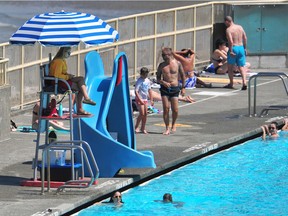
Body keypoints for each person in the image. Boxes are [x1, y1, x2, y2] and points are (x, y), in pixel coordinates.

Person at [49, 47, 96, 115]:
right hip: (58, 82)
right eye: (68, 52)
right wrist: (68, 76)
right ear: (63, 52)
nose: (69, 54)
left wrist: (68, 75)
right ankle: (81, 107)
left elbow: (62, 73)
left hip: (62, 80)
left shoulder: (62, 61)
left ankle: (86, 98)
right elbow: (57, 75)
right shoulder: (58, 62)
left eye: (70, 52)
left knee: (81, 79)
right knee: (80, 88)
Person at [157, 47, 185, 135]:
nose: (163, 58)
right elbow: (158, 78)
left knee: (175, 109)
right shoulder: (162, 65)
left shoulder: (177, 63)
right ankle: (167, 128)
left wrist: (183, 88)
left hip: (175, 88)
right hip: (165, 89)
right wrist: (163, 82)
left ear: (169, 55)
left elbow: (183, 76)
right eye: (162, 56)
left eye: (165, 56)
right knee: (166, 108)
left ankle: (173, 124)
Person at [224, 16, 248, 90]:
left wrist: (231, 51)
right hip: (241, 47)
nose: (225, 24)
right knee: (241, 67)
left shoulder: (228, 30)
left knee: (230, 67)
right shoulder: (240, 27)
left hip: (234, 48)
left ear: (227, 21)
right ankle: (244, 82)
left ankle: (231, 83)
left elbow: (230, 41)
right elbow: (245, 38)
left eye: (225, 22)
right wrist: (245, 48)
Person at [134, 67, 154, 134]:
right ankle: (136, 126)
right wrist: (140, 99)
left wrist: (151, 99)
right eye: (144, 74)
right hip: (140, 98)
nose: (145, 75)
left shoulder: (147, 80)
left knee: (145, 114)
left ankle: (143, 128)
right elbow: (136, 91)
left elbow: (149, 90)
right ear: (141, 74)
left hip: (145, 99)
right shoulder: (139, 81)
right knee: (142, 113)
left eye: (146, 74)